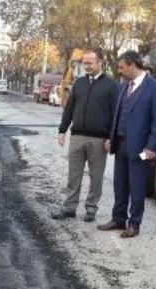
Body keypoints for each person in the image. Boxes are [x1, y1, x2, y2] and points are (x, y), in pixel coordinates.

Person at [98, 51, 156, 238]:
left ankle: (134, 224)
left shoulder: (155, 88)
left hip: (141, 148)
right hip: (120, 143)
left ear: (132, 65)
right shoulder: (123, 87)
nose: (119, 71)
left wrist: (151, 147)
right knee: (119, 184)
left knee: (137, 187)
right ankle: (118, 219)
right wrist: (110, 138)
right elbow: (117, 116)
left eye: (121, 67)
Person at [52, 49, 118, 222]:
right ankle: (69, 208)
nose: (86, 66)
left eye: (90, 63)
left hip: (99, 140)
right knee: (73, 175)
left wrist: (111, 138)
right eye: (84, 63)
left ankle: (91, 209)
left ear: (100, 63)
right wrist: (62, 130)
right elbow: (69, 109)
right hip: (77, 137)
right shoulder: (79, 83)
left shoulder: (112, 86)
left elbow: (115, 114)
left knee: (96, 176)